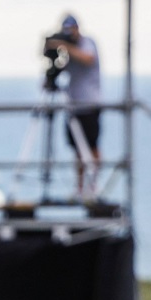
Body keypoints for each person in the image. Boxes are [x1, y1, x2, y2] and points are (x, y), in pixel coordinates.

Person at [45, 14, 102, 198]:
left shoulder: (86, 44)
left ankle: (93, 186)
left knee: (91, 145)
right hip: (74, 105)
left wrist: (65, 47)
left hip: (90, 104)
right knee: (77, 149)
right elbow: (59, 68)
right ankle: (79, 189)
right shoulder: (67, 52)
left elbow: (88, 59)